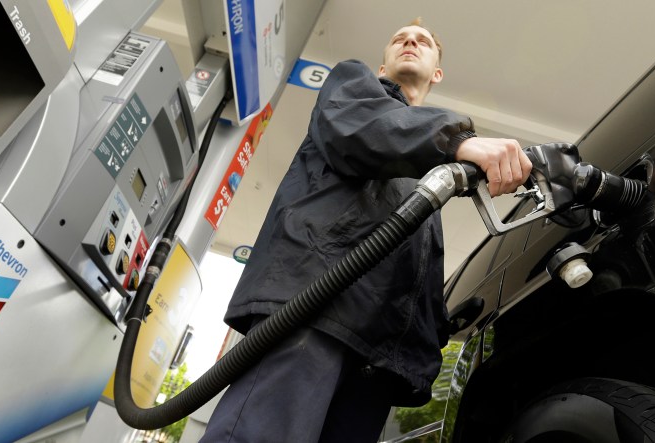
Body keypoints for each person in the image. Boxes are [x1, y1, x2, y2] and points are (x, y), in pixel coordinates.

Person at [201, 18, 532, 443]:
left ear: (437, 73)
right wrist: (460, 142)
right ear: (382, 66)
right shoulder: (354, 89)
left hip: (377, 359)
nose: (410, 41)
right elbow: (363, 129)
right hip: (315, 314)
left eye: (423, 42)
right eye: (400, 39)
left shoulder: (428, 170)